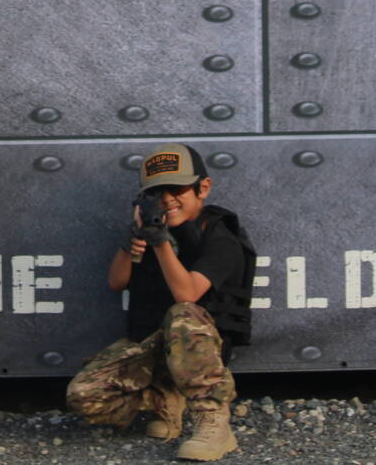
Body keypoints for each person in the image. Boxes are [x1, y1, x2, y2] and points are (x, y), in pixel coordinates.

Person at [65, 143, 255, 462]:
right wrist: (132, 242)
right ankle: (165, 399)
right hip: (154, 344)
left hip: (200, 346)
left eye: (177, 189)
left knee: (183, 313)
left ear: (202, 188)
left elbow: (187, 294)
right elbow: (117, 282)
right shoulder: (154, 230)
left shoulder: (220, 238)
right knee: (84, 395)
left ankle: (213, 422)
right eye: (157, 192)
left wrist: (160, 244)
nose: (167, 200)